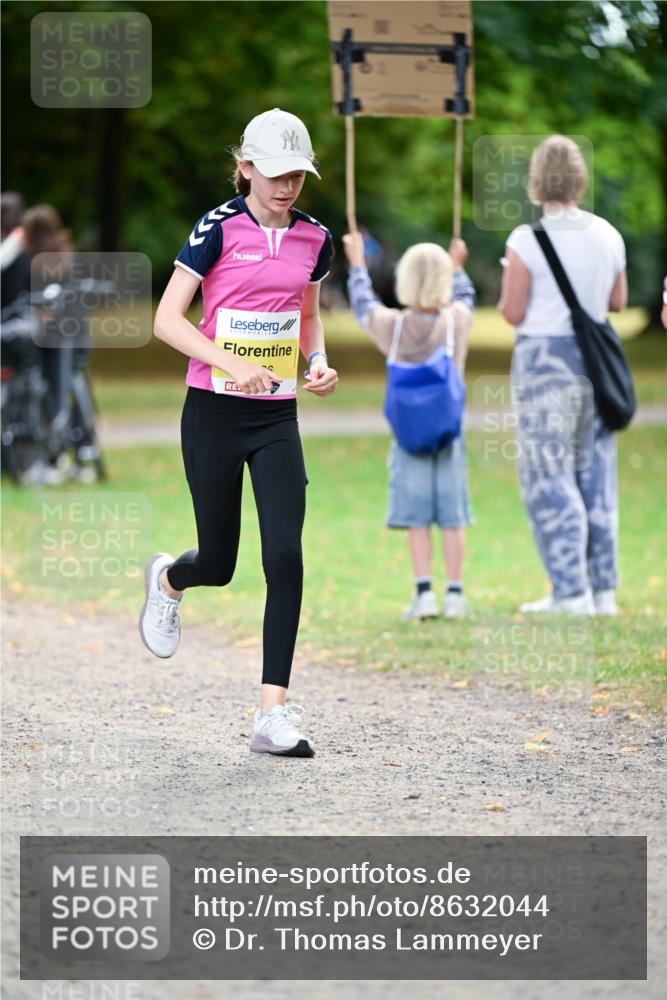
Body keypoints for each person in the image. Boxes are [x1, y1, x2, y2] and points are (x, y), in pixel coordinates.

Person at [139, 108, 338, 757]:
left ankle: (271, 714)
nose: (285, 187)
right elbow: (167, 320)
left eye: (296, 176)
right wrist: (231, 364)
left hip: (277, 415)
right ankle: (170, 580)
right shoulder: (216, 229)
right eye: (274, 174)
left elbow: (307, 315)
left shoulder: (315, 238)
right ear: (246, 168)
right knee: (218, 563)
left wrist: (315, 362)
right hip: (212, 412)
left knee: (284, 556)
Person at [498, 134, 627, 616]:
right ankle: (604, 590)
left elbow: (512, 312)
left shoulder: (526, 240)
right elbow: (615, 302)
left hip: (543, 363)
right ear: (579, 178)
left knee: (548, 472)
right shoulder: (609, 234)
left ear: (537, 179)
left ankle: (570, 589)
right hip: (594, 362)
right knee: (595, 470)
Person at [342, 230, 476, 620]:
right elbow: (466, 296)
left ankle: (423, 593)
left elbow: (364, 305)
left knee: (417, 518)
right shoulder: (456, 322)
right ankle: (454, 594)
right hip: (449, 432)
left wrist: (356, 266)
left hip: (407, 435)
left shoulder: (393, 327)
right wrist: (457, 267)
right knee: (452, 516)